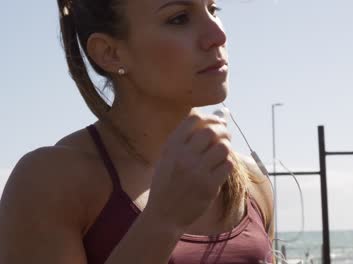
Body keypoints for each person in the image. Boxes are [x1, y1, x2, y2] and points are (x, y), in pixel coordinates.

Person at [0, 0, 275, 263]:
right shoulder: (50, 183)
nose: (218, 34)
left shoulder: (251, 182)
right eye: (179, 18)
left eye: (213, 9)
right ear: (110, 52)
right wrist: (164, 220)